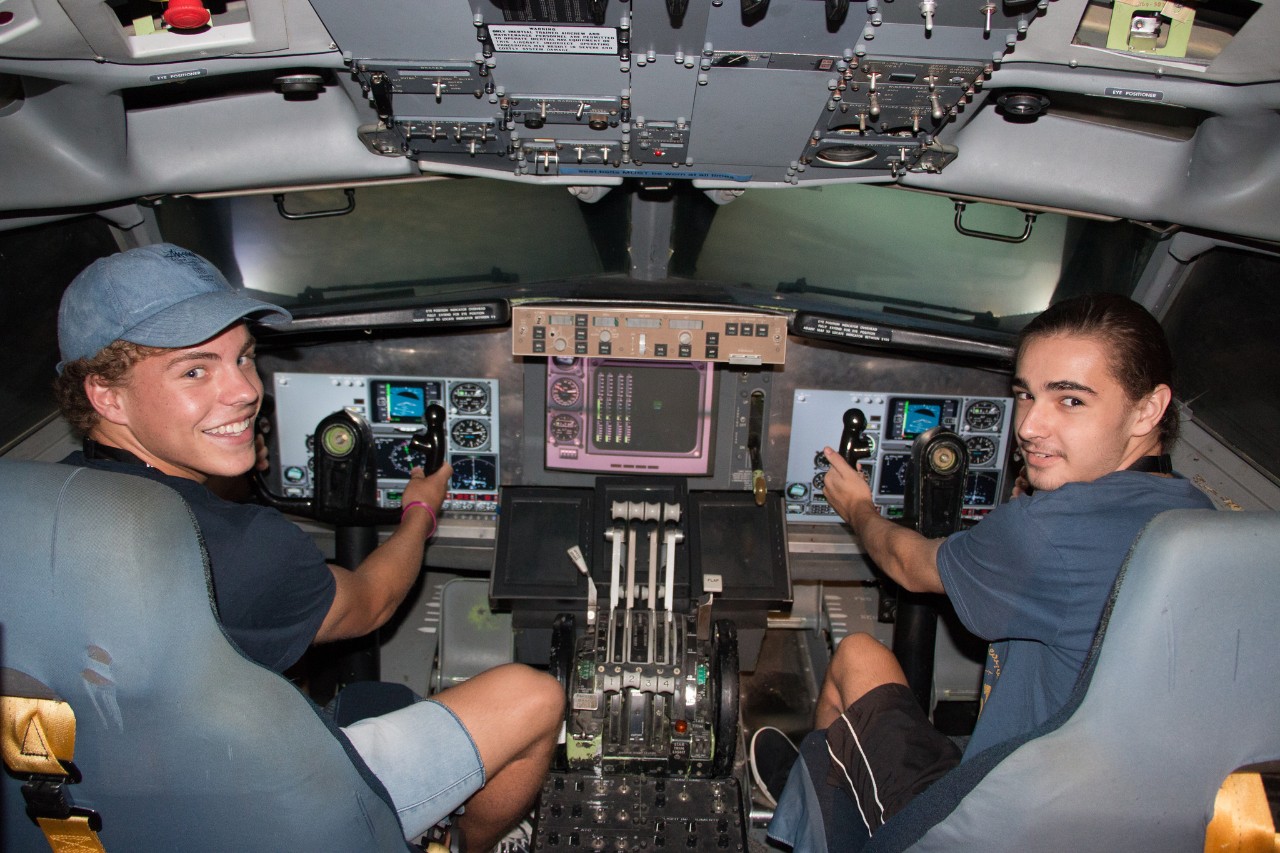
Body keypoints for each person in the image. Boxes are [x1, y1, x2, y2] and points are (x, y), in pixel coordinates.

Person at [52, 243, 564, 851]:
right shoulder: (239, 549)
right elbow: (371, 601)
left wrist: (228, 471)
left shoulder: (44, 498)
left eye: (243, 358)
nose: (244, 392)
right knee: (534, 695)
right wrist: (419, 514)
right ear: (105, 396)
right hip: (254, 813)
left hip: (104, 799)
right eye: (195, 370)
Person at [766, 293, 1215, 847]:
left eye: (1070, 401)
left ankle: (819, 800)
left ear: (1148, 409)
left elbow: (909, 565)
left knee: (857, 655)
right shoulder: (1197, 513)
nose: (1029, 427)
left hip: (996, 824)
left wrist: (858, 506)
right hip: (1118, 817)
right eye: (1026, 394)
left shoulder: (1048, 530)